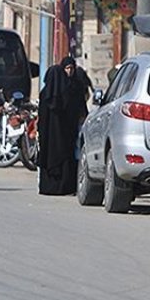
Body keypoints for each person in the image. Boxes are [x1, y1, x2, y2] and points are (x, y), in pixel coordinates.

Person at [37, 56, 92, 195]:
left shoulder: (73, 88)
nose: (69, 72)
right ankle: (53, 186)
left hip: (66, 131)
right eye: (67, 69)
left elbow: (80, 107)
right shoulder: (48, 94)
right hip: (52, 134)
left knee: (66, 156)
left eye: (71, 68)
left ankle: (65, 186)